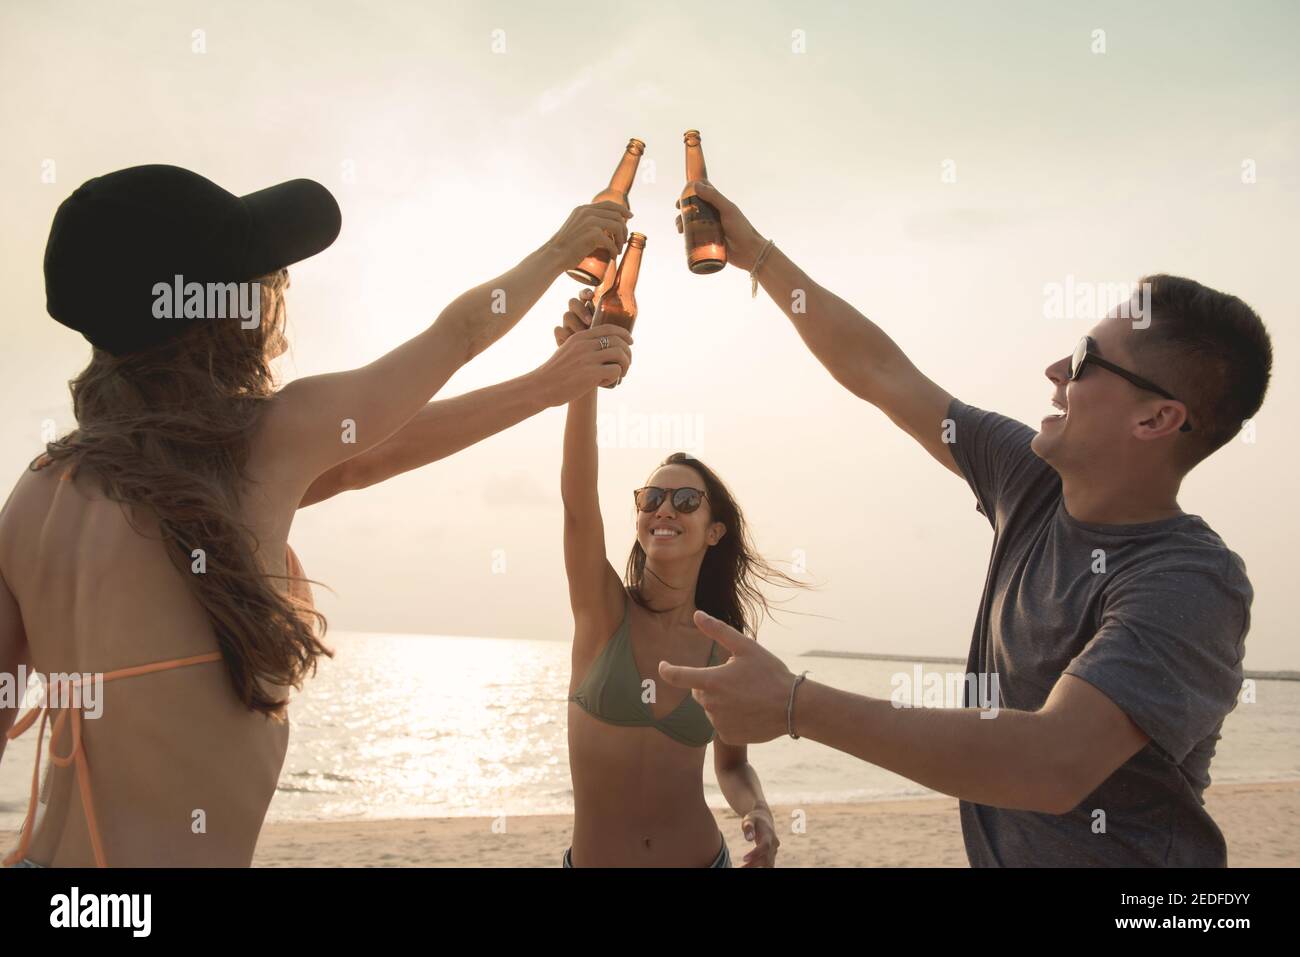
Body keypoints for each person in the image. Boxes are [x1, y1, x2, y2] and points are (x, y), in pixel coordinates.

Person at [0, 164, 632, 866]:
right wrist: (562, 248)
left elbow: (360, 459)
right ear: (216, 311)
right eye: (263, 278)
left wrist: (545, 386)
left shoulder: (38, 492)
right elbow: (454, 338)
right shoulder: (261, 444)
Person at [658, 180, 1271, 867]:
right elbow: (880, 371)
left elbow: (1053, 762)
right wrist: (757, 254)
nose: (1053, 371)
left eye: (1082, 361)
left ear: (1156, 418)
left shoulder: (1190, 581)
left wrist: (795, 705)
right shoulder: (1030, 481)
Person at [552, 288, 790, 868]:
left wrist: (757, 811)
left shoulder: (724, 647)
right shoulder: (603, 611)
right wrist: (584, 377)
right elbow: (579, 503)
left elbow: (732, 766)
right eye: (652, 498)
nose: (665, 509)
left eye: (685, 501)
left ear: (714, 531)